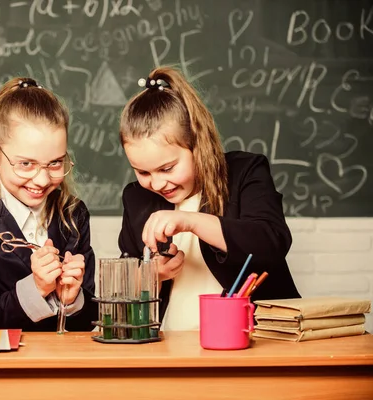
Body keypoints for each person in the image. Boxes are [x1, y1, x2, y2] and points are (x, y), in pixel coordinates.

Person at [117, 66, 300, 331]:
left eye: (167, 169)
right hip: (167, 352)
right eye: (142, 171)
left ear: (197, 144)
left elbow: (271, 243)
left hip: (254, 345)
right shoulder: (137, 198)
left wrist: (190, 221)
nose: (156, 183)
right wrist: (151, 277)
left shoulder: (245, 171)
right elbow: (123, 286)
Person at [0, 77, 97, 331]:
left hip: (56, 363)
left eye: (55, 163)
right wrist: (36, 289)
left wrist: (72, 300)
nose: (41, 179)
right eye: (26, 164)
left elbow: (88, 321)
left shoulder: (73, 214)